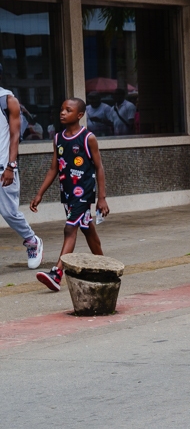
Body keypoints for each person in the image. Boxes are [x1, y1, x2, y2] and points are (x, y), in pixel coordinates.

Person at [30, 98, 108, 291]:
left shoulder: (88, 137)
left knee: (69, 229)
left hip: (83, 193)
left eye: (68, 110)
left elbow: (99, 168)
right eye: (62, 109)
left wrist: (102, 198)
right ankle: (105, 268)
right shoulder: (58, 138)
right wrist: (40, 193)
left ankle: (57, 273)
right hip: (67, 194)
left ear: (80, 115)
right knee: (87, 229)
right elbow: (53, 169)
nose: (62, 113)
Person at [0, 79, 42, 268]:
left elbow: (15, 135)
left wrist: (11, 166)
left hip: (3, 166)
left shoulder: (7, 100)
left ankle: (32, 240)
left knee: (9, 213)